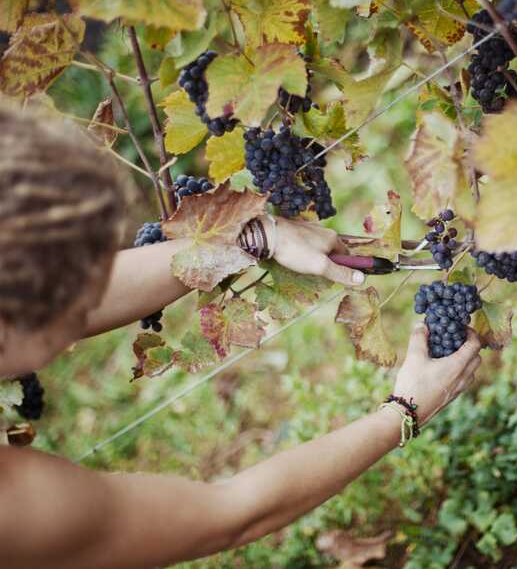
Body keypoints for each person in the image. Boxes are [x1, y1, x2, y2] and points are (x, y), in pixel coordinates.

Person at [0, 106, 482, 569]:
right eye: (75, 291)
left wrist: (257, 238)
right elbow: (230, 515)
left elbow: (91, 289)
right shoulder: (22, 510)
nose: (92, 291)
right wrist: (403, 412)